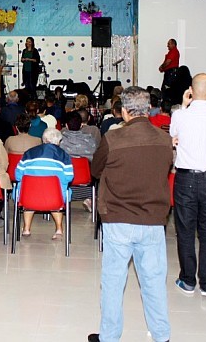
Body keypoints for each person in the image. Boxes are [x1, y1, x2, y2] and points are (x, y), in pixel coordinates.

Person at [88, 86, 173, 342]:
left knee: (113, 282)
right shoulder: (165, 139)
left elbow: (95, 170)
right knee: (154, 282)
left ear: (124, 112)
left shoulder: (113, 139)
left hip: (118, 218)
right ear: (149, 109)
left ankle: (109, 336)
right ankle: (162, 335)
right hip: (153, 219)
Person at [169, 74, 206, 297]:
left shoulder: (180, 115)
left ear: (191, 91)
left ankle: (187, 280)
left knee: (185, 231)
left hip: (185, 178)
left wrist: (184, 105)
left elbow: (173, 135)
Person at [15, 128, 73, 239]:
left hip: (28, 196)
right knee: (59, 192)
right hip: (55, 197)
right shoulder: (64, 155)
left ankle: (26, 229)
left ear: (43, 139)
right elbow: (69, 177)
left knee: (28, 191)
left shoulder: (29, 153)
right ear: (59, 141)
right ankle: (59, 229)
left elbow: (18, 176)